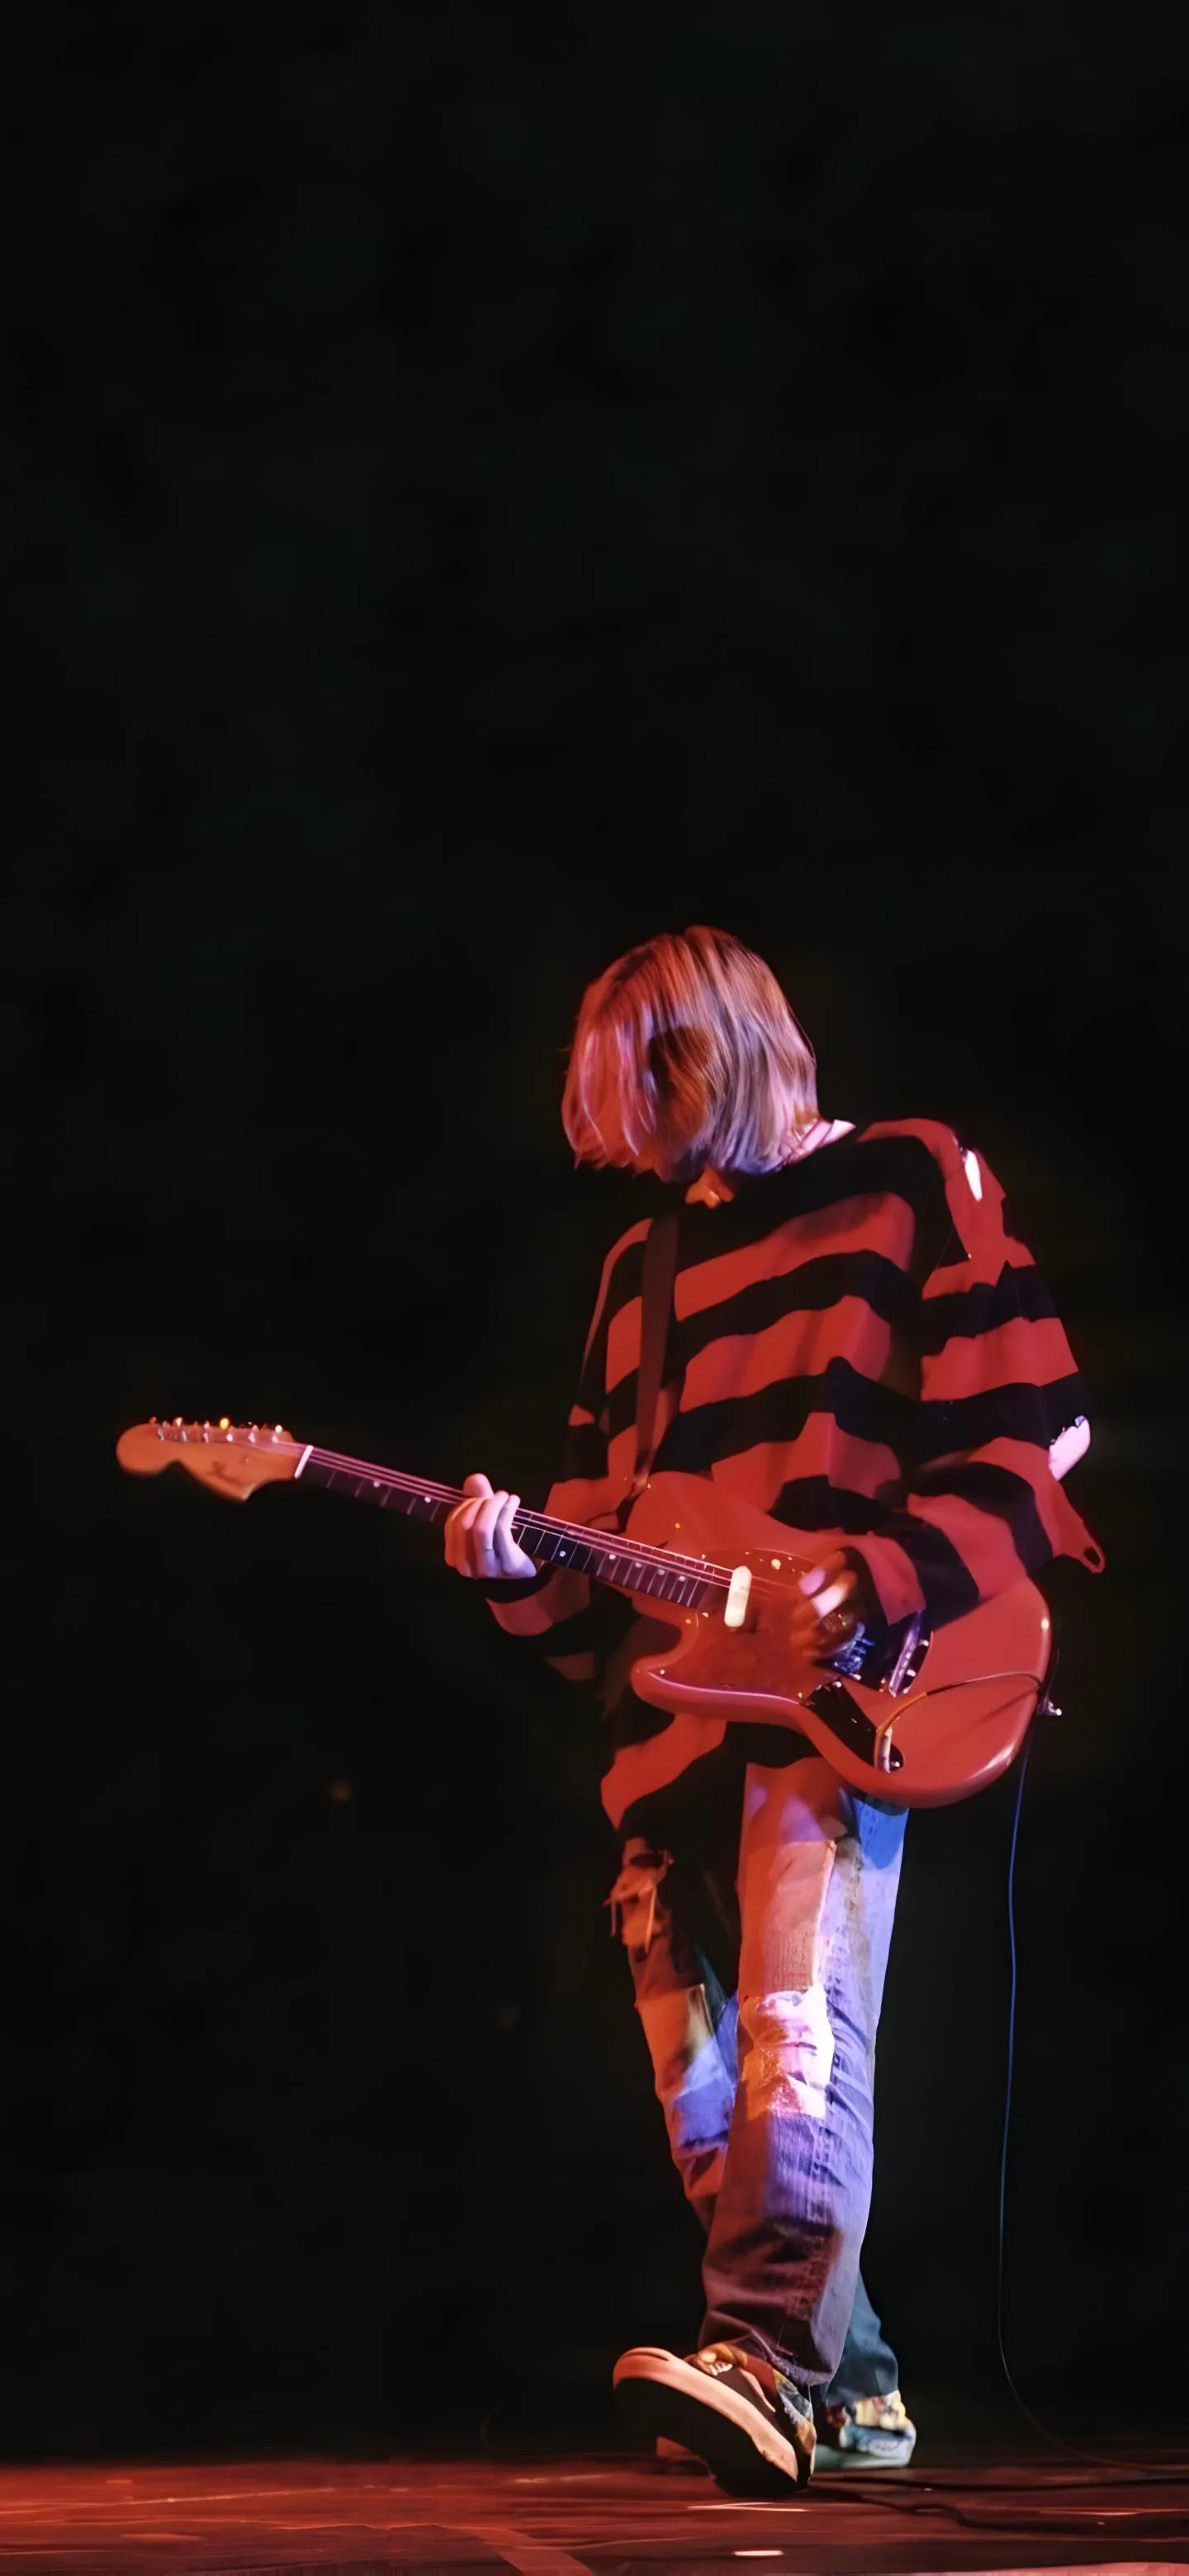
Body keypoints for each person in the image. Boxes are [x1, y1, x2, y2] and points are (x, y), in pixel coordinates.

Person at [443, 926, 1101, 2494]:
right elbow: (599, 1568)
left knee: (800, 2040)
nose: (639, 1151)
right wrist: (503, 1561)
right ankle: (853, 2389)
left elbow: (1042, 1437)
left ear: (707, 1054)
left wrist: (876, 1575)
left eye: (644, 1103)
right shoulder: (642, 1271)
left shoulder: (911, 1178)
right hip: (669, 1727)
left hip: (841, 1709)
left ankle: (766, 2357)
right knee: (700, 2078)